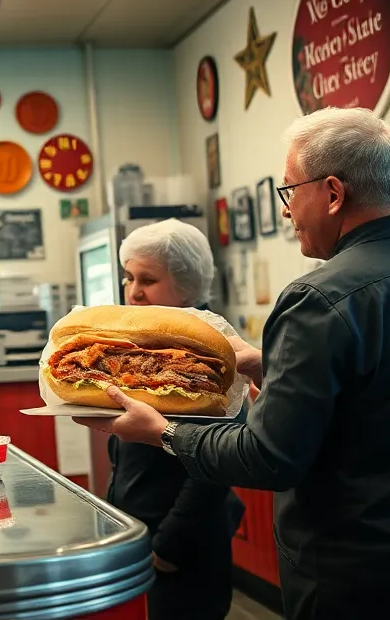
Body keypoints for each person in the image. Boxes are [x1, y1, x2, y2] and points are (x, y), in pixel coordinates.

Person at [77, 108, 390, 619]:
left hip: (361, 586)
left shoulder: (317, 298)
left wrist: (163, 433)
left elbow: (268, 457)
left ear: (332, 193)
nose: (286, 211)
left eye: (289, 191)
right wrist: (273, 367)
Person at [110, 219, 245, 620]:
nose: (133, 292)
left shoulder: (208, 345)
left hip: (183, 544)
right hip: (141, 532)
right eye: (128, 277)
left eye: (147, 279)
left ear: (186, 283)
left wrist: (170, 546)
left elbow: (216, 462)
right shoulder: (145, 337)